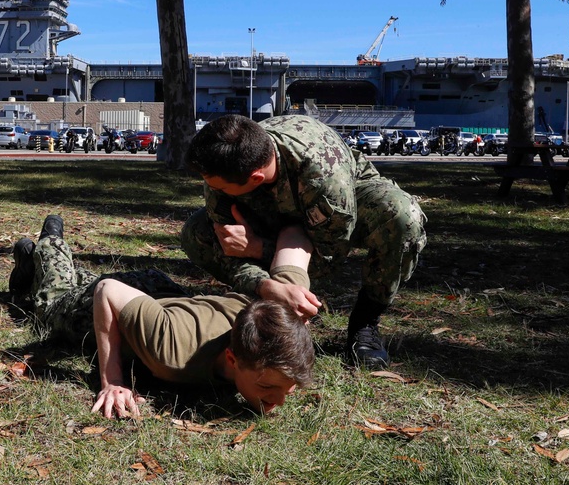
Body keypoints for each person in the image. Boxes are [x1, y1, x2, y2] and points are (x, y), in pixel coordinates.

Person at [8, 215, 316, 419]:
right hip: (125, 305)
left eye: (288, 388)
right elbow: (108, 292)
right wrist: (112, 379)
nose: (280, 400)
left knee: (80, 284)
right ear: (232, 359)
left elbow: (295, 234)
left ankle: (28, 271)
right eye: (267, 388)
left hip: (158, 298)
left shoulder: (286, 318)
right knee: (53, 303)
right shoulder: (174, 353)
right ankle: (49, 243)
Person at [182, 114, 427, 368]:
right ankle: (264, 306)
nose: (212, 189)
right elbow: (229, 247)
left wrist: (258, 248)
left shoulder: (325, 175)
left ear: (255, 178)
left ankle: (365, 321)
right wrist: (265, 285)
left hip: (343, 202)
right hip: (271, 213)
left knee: (401, 215)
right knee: (196, 232)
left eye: (219, 188)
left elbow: (328, 258)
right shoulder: (224, 166)